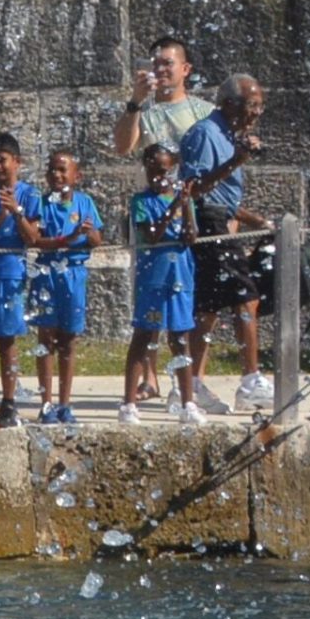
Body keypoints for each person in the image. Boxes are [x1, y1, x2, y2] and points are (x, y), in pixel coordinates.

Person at [180, 73, 274, 415]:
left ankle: (191, 384)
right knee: (246, 300)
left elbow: (225, 196)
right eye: (252, 105)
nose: (257, 113)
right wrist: (238, 160)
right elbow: (195, 189)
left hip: (223, 222)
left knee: (207, 309)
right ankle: (250, 381)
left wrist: (257, 222)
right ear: (230, 104)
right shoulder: (207, 134)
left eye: (261, 105)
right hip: (210, 224)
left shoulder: (228, 135)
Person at [122, 144, 200, 425]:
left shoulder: (183, 201)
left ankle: (187, 402)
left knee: (180, 339)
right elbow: (152, 235)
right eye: (154, 171)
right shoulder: (141, 202)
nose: (160, 177)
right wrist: (172, 208)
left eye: (165, 171)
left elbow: (191, 237)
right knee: (143, 337)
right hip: (153, 279)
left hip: (179, 277)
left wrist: (185, 206)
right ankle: (129, 403)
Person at [28, 150, 102, 424]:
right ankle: (46, 403)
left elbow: (97, 239)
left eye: (63, 170)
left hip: (73, 274)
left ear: (77, 176)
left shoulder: (84, 203)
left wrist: (89, 233)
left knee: (68, 339)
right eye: (52, 170)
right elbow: (35, 240)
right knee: (46, 338)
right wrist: (69, 237)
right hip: (47, 272)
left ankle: (65, 403)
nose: (56, 176)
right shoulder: (41, 203)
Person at [0, 132, 37, 428]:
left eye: (2, 160)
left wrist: (16, 212)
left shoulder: (30, 195)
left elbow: (33, 237)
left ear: (17, 162)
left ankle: (9, 400)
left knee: (7, 339)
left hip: (10, 272)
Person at [112, 35, 216, 157]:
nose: (160, 69)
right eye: (155, 64)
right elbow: (121, 148)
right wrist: (136, 100)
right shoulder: (139, 112)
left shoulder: (206, 112)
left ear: (185, 69)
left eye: (168, 63)